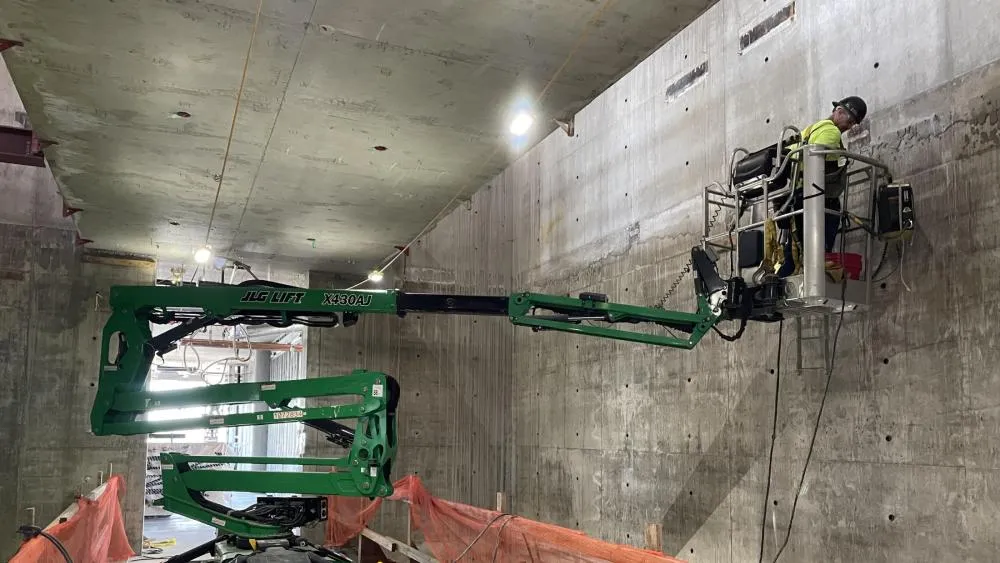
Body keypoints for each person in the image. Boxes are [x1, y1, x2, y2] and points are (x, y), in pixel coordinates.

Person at [775, 96, 867, 277]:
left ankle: (776, 284)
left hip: (798, 197)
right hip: (816, 197)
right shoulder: (831, 132)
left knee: (794, 253)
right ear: (839, 112)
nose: (849, 127)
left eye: (853, 124)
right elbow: (817, 161)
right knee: (816, 252)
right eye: (850, 122)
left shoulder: (811, 129)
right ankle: (818, 273)